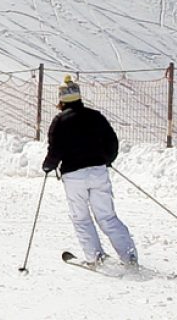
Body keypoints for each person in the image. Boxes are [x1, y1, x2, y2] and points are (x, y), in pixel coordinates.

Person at [42, 77, 137, 268]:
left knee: (81, 217)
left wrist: (48, 166)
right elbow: (112, 143)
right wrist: (106, 160)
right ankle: (129, 257)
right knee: (107, 216)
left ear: (61, 100)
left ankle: (95, 257)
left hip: (74, 176)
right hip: (98, 172)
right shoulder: (95, 116)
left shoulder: (59, 121)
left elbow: (55, 149)